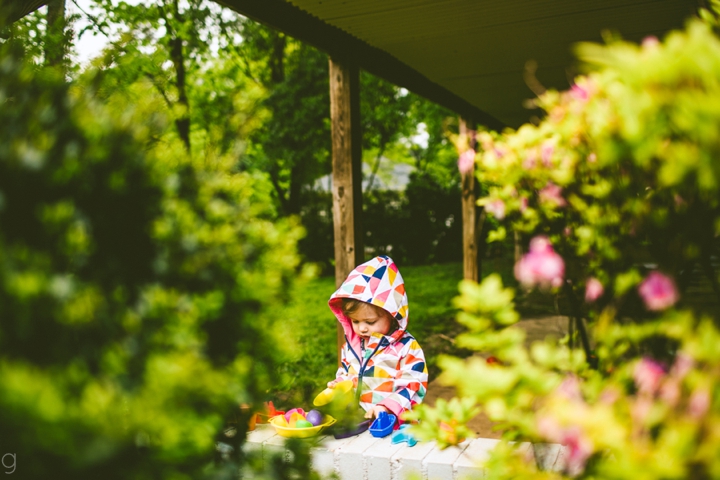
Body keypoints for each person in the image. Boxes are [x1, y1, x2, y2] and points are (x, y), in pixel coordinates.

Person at [327, 256, 428, 423]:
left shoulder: (406, 348)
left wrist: (386, 407)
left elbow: (413, 385)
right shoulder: (352, 346)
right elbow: (349, 375)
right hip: (360, 422)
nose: (362, 328)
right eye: (355, 321)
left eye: (370, 322)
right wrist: (339, 384)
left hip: (395, 424)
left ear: (392, 314)